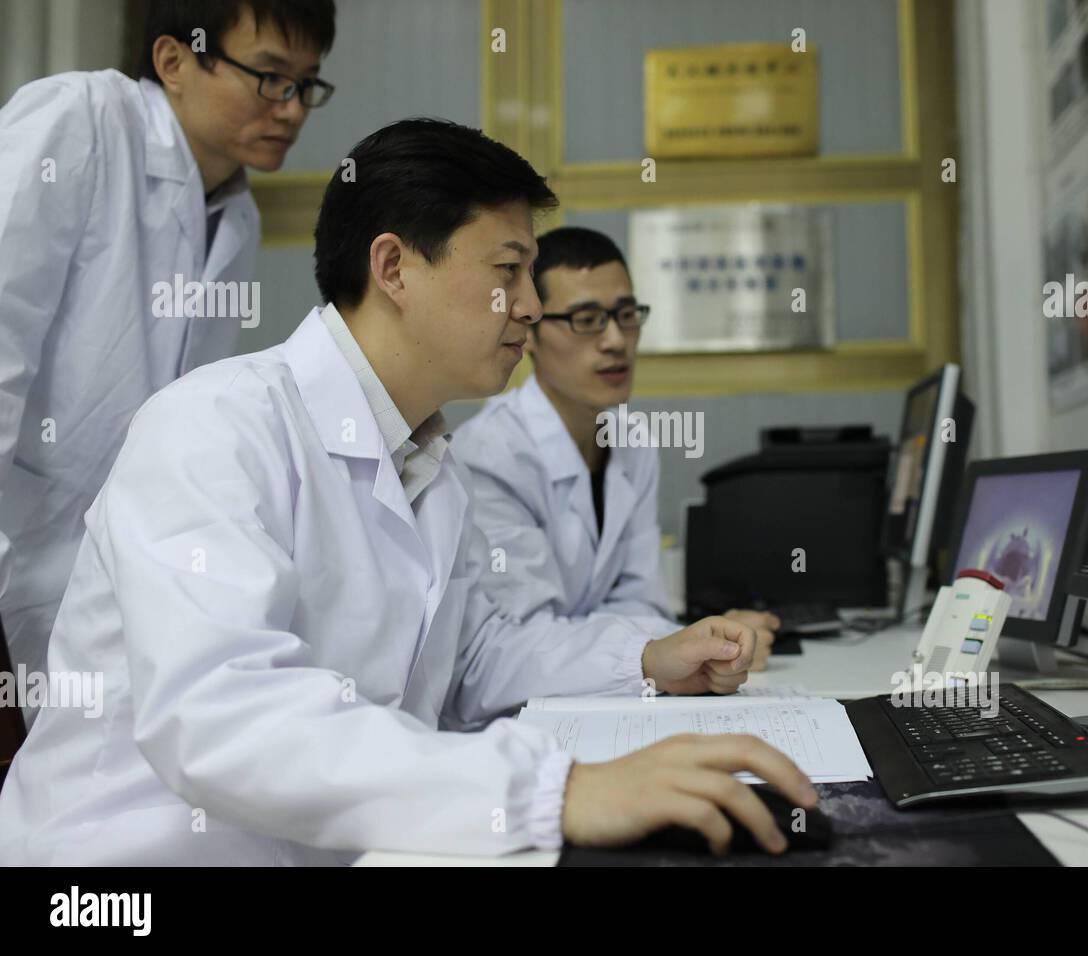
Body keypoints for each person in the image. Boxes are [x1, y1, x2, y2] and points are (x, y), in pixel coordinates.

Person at [0, 118, 815, 865]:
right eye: (510, 271)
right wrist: (552, 791)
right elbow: (220, 715)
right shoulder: (215, 427)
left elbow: (473, 659)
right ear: (393, 266)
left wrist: (643, 658)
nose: (531, 309)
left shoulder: (426, 456)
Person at [0, 0, 336, 722]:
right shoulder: (80, 121)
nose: (293, 109)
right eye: (271, 77)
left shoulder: (236, 217)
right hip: (20, 549)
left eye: (307, 83)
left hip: (114, 572)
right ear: (174, 60)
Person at [455, 227, 779, 669]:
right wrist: (677, 645)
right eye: (586, 320)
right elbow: (524, 638)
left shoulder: (633, 439)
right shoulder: (489, 456)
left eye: (626, 314)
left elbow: (640, 602)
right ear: (529, 328)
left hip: (607, 697)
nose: (615, 340)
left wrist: (704, 640)